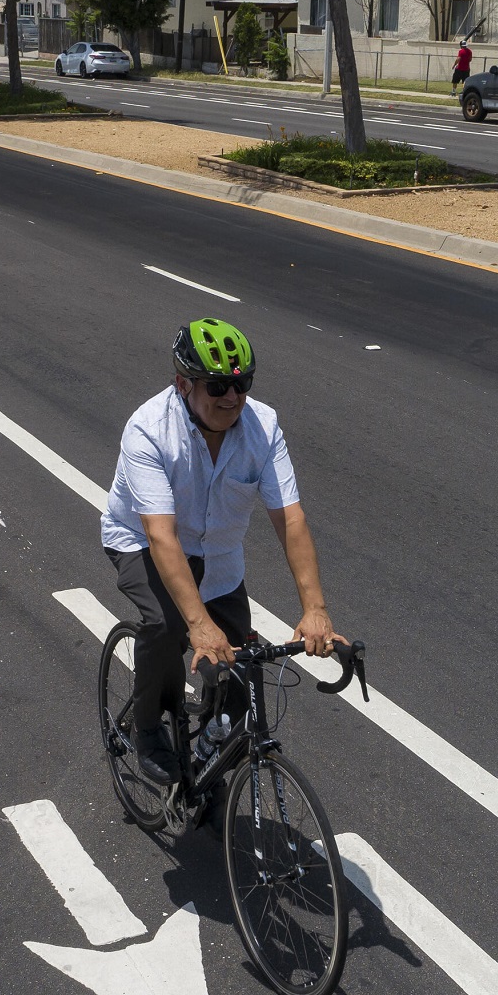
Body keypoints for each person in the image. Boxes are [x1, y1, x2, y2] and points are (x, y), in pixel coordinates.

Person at [102, 318, 342, 783]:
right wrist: (199, 625)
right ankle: (150, 730)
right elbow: (162, 537)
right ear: (183, 384)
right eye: (217, 387)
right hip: (143, 542)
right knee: (166, 624)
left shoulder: (263, 427)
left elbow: (290, 518)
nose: (231, 398)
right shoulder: (149, 430)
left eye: (241, 384)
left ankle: (211, 780)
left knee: (240, 683)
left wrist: (315, 609)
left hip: (219, 562)